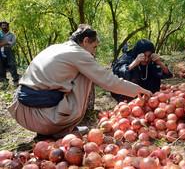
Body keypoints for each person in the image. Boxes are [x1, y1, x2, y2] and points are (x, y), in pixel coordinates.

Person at [7, 24, 152, 139]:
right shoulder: (79, 54)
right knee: (87, 75)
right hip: (40, 117)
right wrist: (139, 90)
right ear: (85, 41)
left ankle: (62, 127)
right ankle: (62, 128)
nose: (94, 52)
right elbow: (109, 81)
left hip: (23, 110)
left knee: (86, 72)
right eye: (94, 47)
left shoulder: (56, 47)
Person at [0, 21, 20, 87]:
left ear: (8, 26)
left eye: (5, 25)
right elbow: (7, 43)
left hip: (9, 50)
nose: (4, 27)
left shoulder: (12, 35)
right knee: (1, 66)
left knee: (12, 64)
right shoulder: (0, 34)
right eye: (2, 25)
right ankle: (4, 82)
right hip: (0, 51)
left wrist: (4, 43)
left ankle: (16, 80)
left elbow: (12, 43)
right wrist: (6, 42)